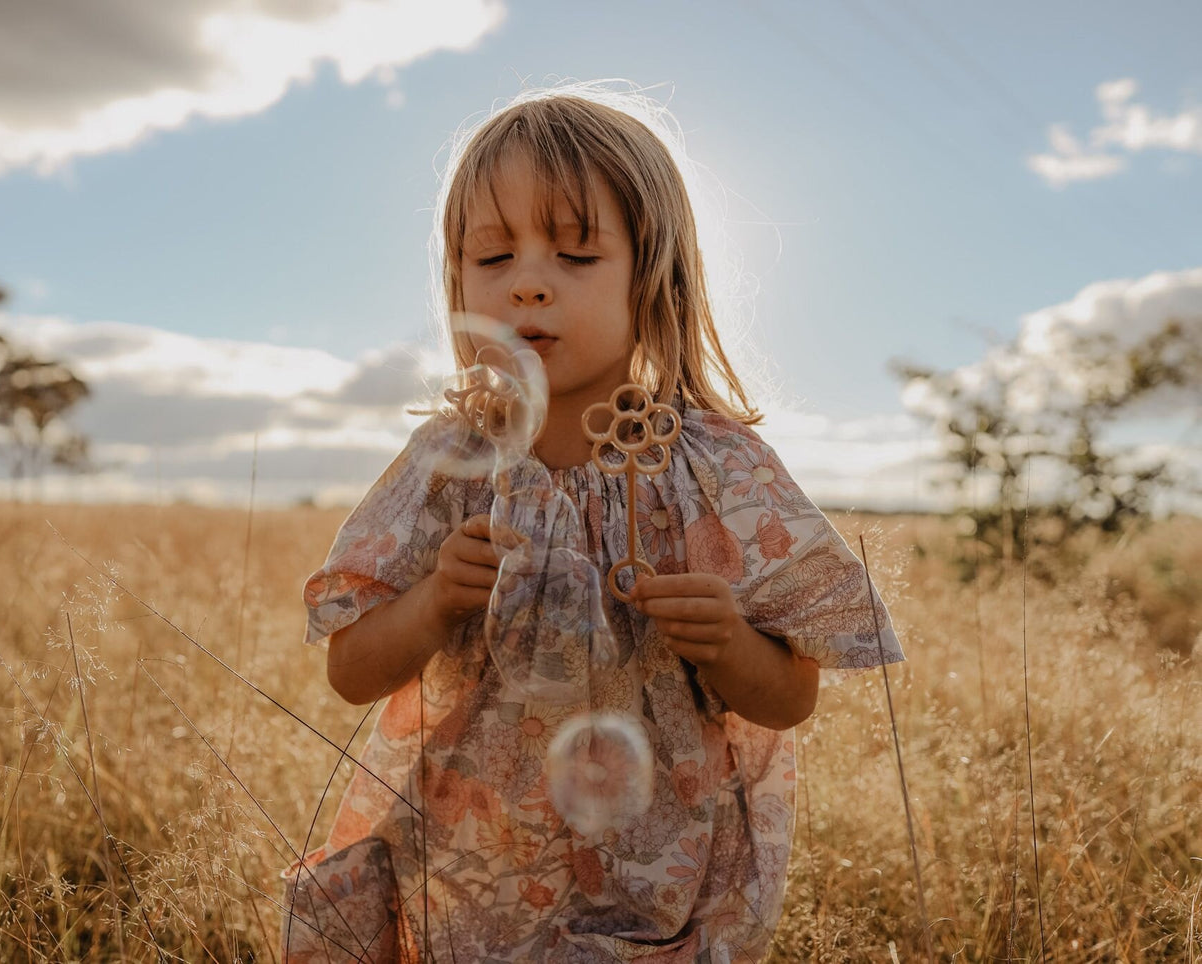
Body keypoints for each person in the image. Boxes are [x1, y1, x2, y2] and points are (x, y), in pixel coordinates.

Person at [286, 83, 904, 963]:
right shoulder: (449, 464)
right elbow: (351, 671)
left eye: (576, 257)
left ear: (653, 277)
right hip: (475, 875)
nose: (528, 284)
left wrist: (728, 640)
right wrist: (433, 601)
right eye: (492, 258)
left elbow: (790, 697)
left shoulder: (710, 469)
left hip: (660, 877)